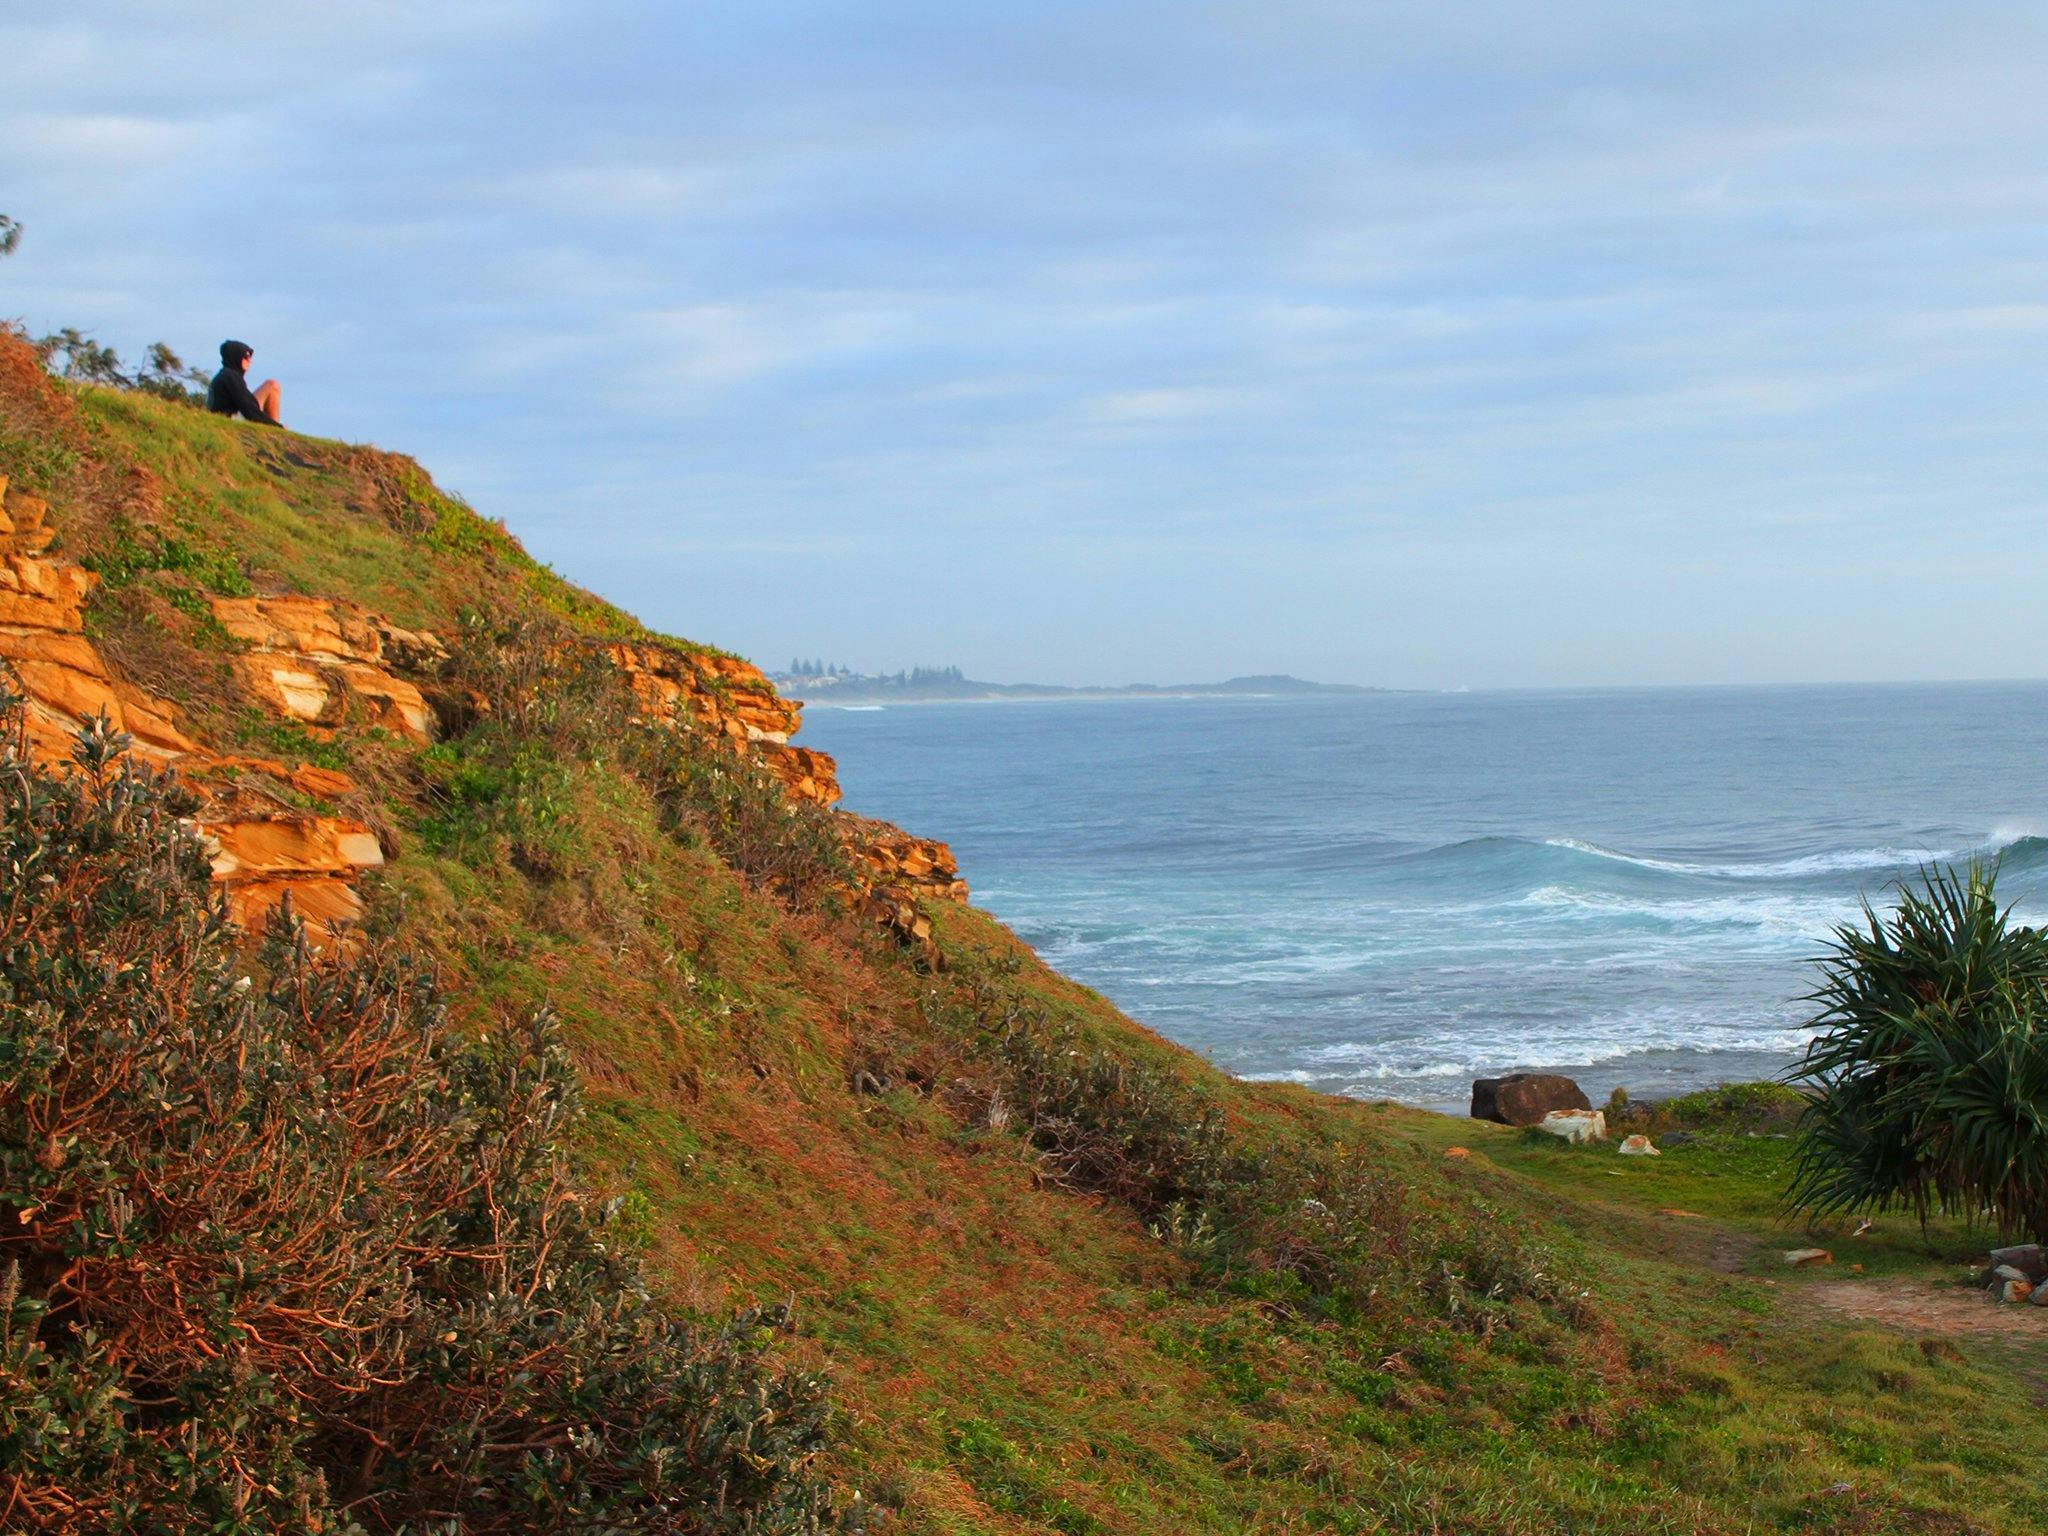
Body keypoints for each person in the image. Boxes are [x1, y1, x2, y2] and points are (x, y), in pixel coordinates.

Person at [207, 340, 282, 426]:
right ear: (236, 357)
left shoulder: (227, 375)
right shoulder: (230, 376)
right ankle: (276, 431)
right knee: (272, 385)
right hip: (230, 419)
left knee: (271, 385)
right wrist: (276, 426)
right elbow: (249, 409)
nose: (249, 361)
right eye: (246, 357)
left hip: (232, 415)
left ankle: (275, 429)